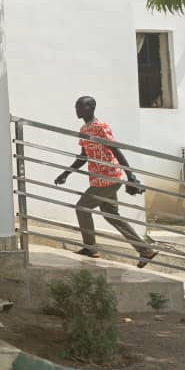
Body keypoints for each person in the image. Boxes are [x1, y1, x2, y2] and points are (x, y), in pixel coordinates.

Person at [54, 96, 158, 267]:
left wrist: (130, 176)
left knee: (82, 208)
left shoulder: (101, 127)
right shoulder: (84, 129)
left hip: (109, 177)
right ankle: (145, 250)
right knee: (112, 216)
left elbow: (116, 151)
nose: (77, 110)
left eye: (81, 107)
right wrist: (66, 173)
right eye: (76, 107)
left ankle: (91, 248)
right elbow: (83, 156)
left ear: (91, 108)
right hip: (98, 180)